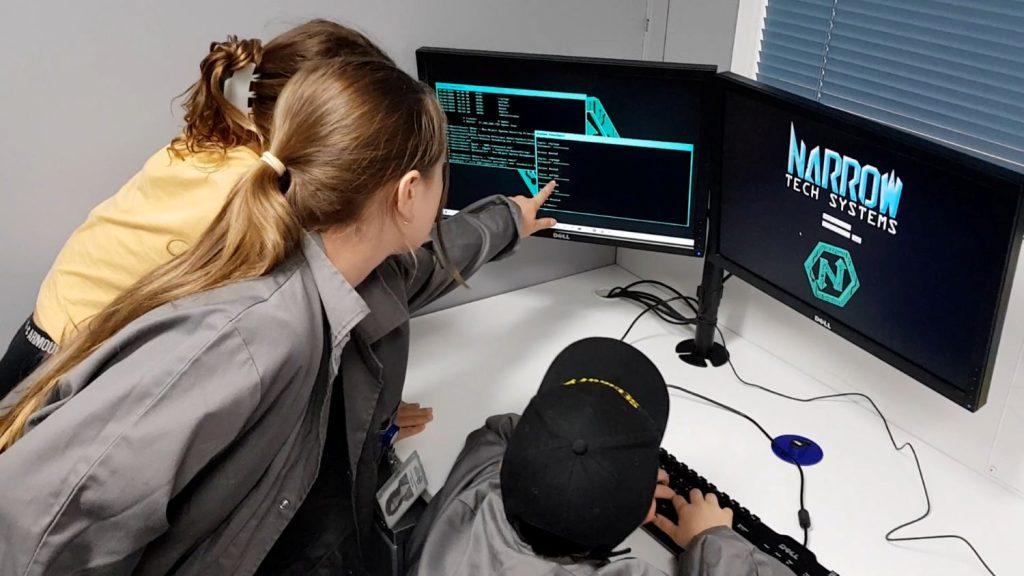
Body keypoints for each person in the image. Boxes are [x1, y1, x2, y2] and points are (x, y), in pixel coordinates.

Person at [0, 56, 556, 574]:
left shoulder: (346, 268)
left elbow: (426, 267)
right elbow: (34, 524)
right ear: (409, 192)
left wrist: (511, 218)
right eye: (439, 175)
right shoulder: (255, 337)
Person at [0, 21, 428, 439]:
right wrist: (366, 416)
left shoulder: (217, 144)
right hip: (69, 375)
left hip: (41, 338)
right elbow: (291, 325)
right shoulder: (258, 197)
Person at [405, 337, 794, 576]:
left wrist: (566, 444)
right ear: (646, 513)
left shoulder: (466, 502)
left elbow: (499, 433)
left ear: (507, 469)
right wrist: (713, 540)